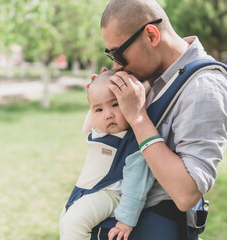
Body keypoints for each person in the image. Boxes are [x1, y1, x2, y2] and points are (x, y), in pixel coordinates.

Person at [90, 0, 227, 239]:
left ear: (151, 34)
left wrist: (138, 118)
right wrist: (103, 105)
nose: (116, 65)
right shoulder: (154, 76)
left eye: (118, 53)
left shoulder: (204, 87)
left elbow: (187, 194)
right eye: (110, 54)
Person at [59, 70, 155, 240]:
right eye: (99, 110)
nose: (108, 114)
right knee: (66, 219)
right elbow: (96, 104)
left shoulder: (134, 139)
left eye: (115, 104)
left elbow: (137, 183)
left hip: (111, 193)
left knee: (75, 221)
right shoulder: (100, 129)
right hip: (88, 189)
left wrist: (126, 220)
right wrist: (98, 86)